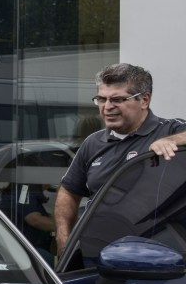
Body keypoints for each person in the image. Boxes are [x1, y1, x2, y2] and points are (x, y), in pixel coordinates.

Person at [54, 63, 186, 248]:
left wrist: (173, 140)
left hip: (157, 258)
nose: (107, 107)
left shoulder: (168, 130)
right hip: (95, 255)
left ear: (144, 100)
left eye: (118, 100)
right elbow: (69, 190)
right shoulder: (92, 143)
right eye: (101, 99)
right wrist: (63, 237)